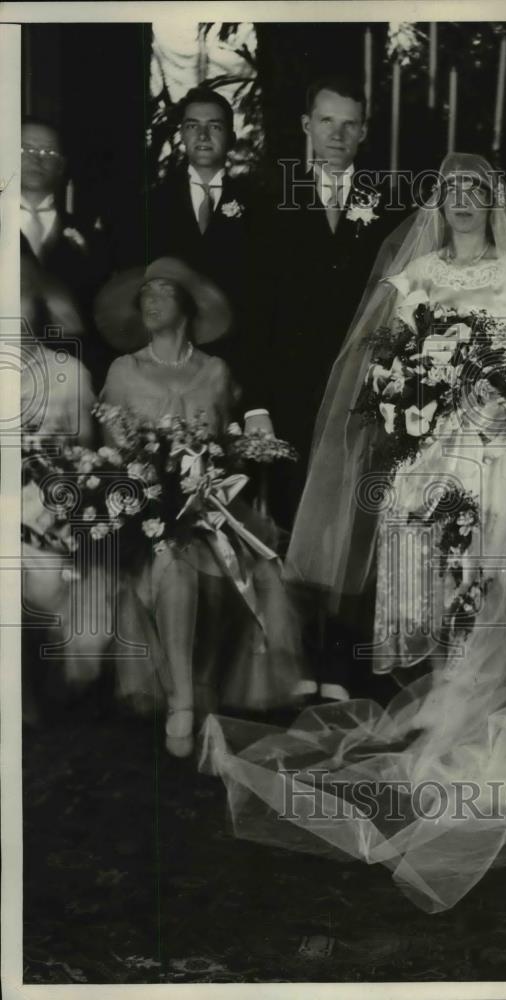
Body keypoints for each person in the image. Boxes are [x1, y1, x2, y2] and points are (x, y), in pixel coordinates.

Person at [201, 153, 506, 915]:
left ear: (493, 202)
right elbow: (377, 358)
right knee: (430, 584)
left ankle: (471, 741)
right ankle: (443, 733)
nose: (463, 205)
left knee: (478, 587)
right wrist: (408, 398)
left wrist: (498, 414)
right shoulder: (416, 274)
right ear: (437, 205)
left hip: (492, 452)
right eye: (450, 194)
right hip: (422, 454)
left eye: (476, 194)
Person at [94, 257, 305, 757]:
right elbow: (114, 462)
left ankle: (198, 693)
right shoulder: (122, 371)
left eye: (163, 292)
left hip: (213, 514)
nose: (150, 301)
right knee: (172, 562)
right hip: (146, 517)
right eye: (145, 293)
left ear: (188, 305)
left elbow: (234, 445)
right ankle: (182, 705)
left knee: (249, 561)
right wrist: (156, 496)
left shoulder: (216, 371)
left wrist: (240, 459)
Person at [267, 75, 407, 703]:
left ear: (364, 133)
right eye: (327, 122)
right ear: (306, 125)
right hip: (290, 394)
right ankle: (295, 660)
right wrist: (258, 405)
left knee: (352, 522)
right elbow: (254, 304)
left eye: (351, 125)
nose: (338, 136)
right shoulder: (268, 195)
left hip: (361, 393)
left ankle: (340, 667)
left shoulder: (387, 200)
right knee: (296, 519)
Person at [146, 87, 267, 420]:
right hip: (168, 363)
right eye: (192, 125)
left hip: (236, 360)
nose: (202, 135)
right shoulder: (152, 204)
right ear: (181, 133)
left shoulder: (259, 204)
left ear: (230, 135)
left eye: (214, 126)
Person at [20, 258, 105, 725]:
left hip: (49, 515)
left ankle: (49, 688)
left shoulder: (70, 374)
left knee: (49, 599)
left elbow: (85, 456)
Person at [20, 118, 111, 386]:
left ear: (62, 165)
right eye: (25, 149)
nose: (36, 159)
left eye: (48, 152)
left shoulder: (91, 235)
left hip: (69, 377)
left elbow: (101, 314)